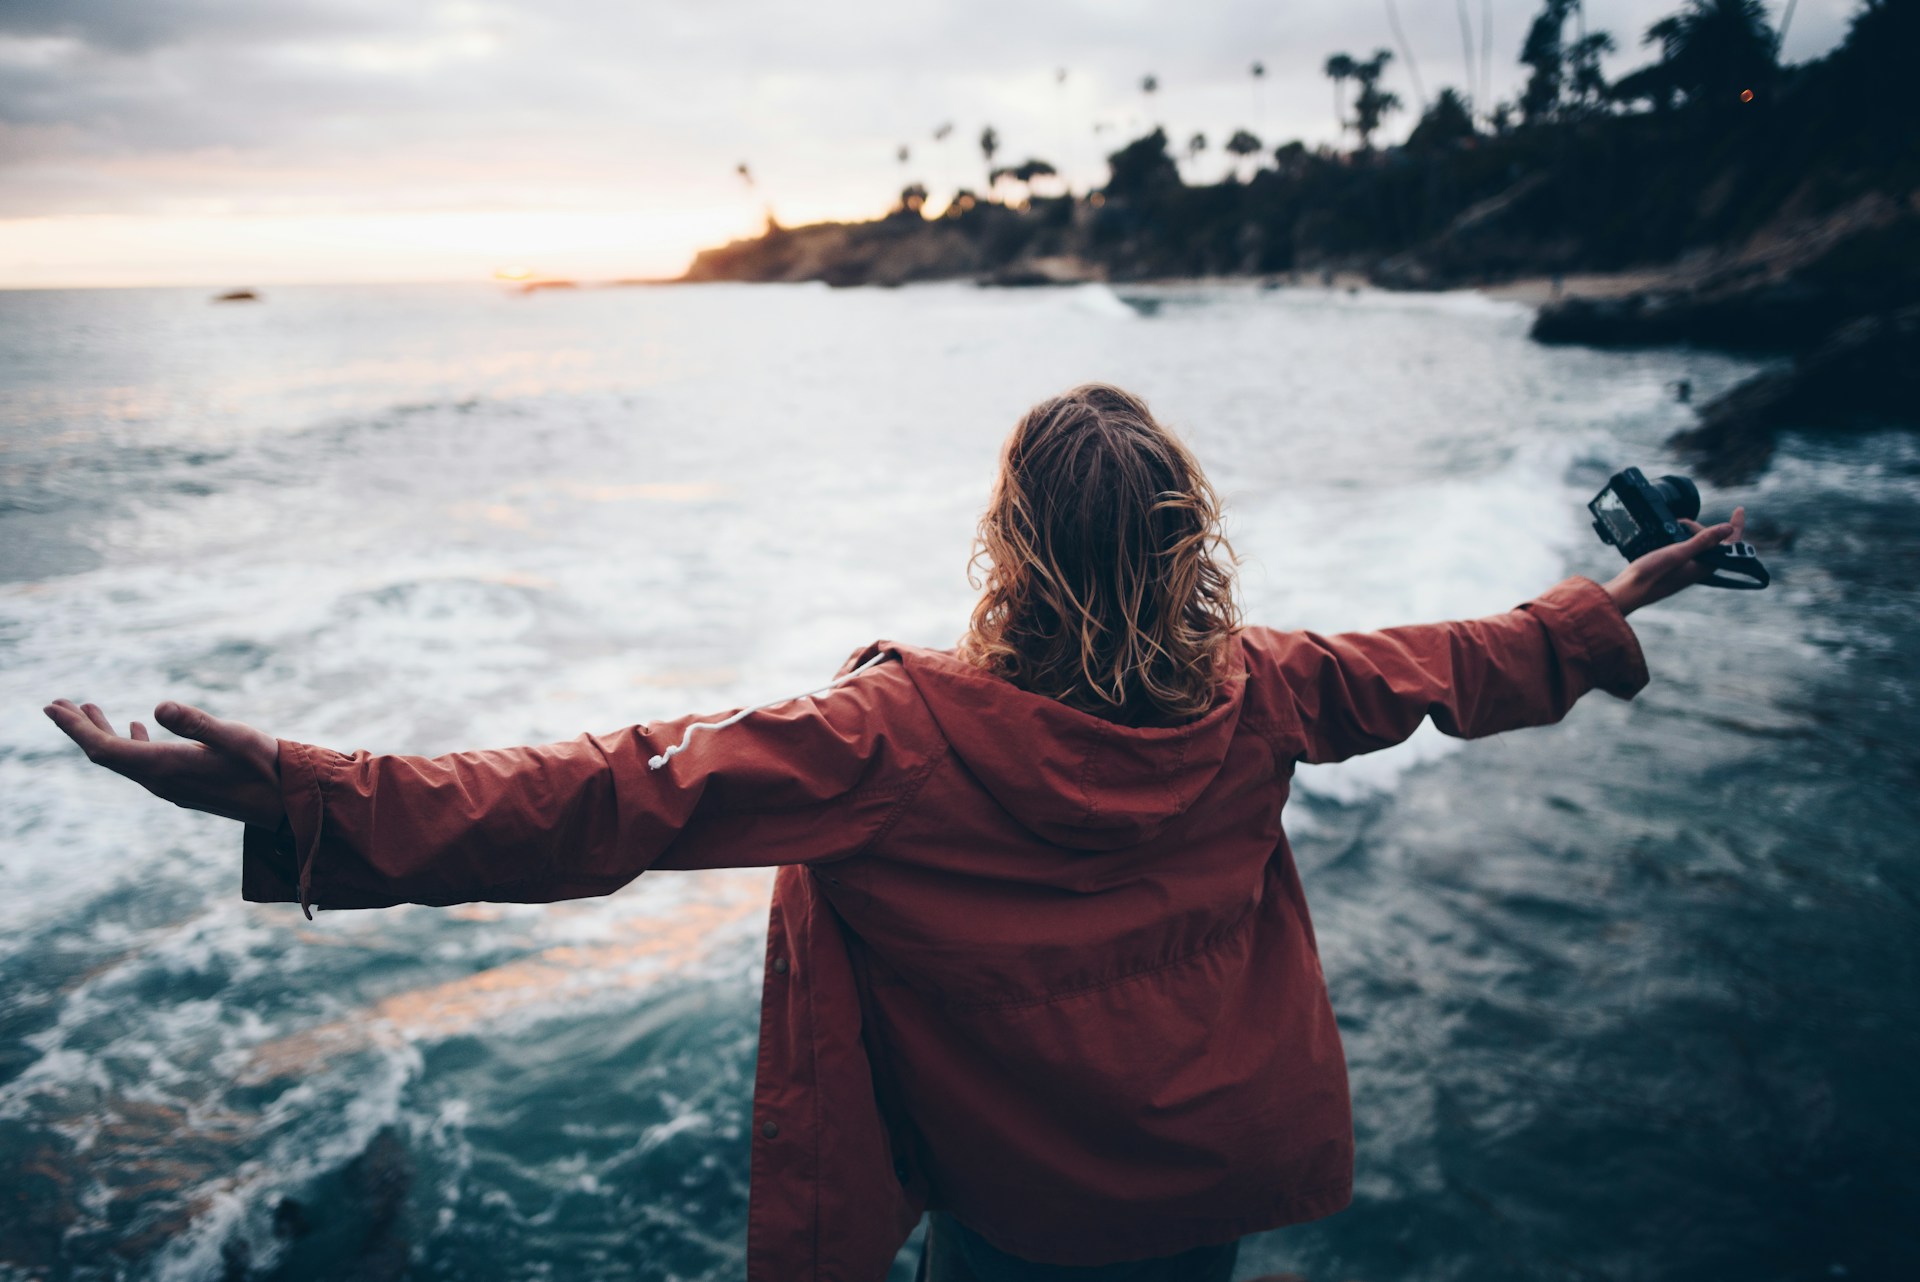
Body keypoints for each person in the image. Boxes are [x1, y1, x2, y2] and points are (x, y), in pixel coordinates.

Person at [45, 384, 1747, 1282]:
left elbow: (600, 794)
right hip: (1215, 1165)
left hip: (1024, 1205)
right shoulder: (1264, 689)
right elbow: (1454, 661)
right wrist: (1615, 599)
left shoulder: (893, 739)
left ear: (1009, 544)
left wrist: (303, 793)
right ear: (1184, 546)